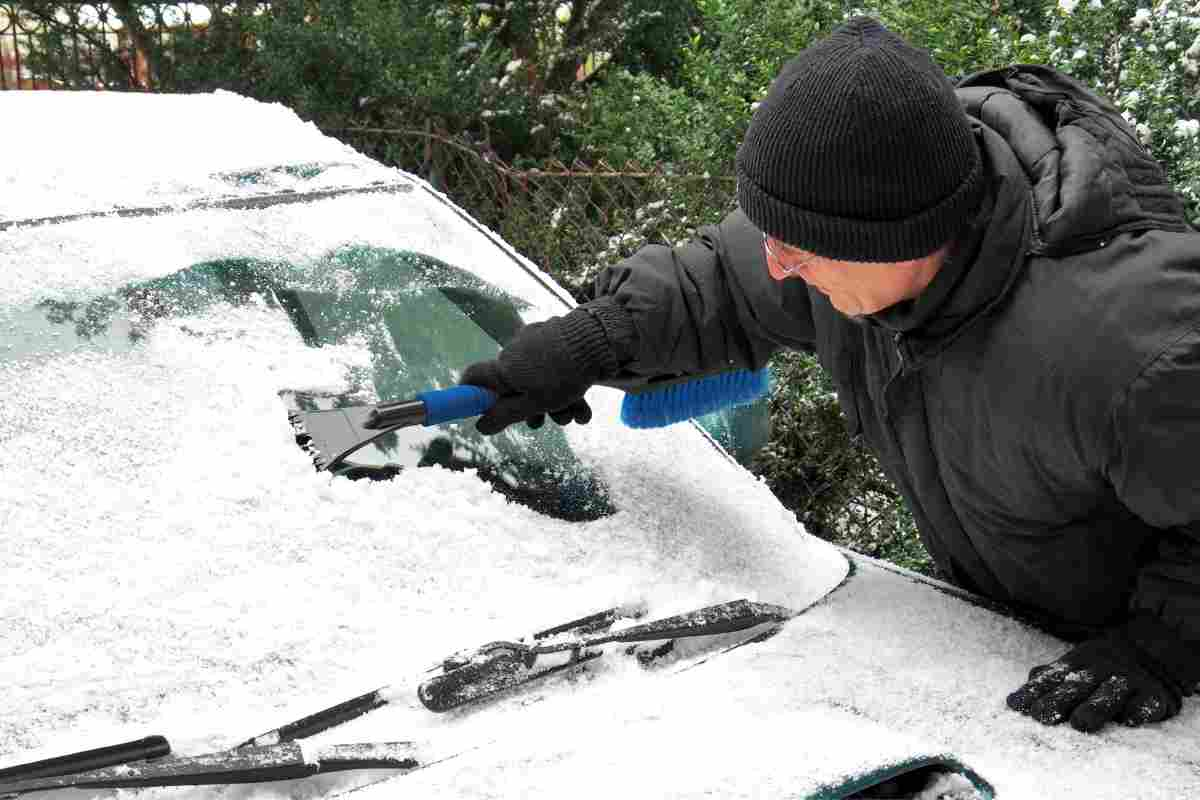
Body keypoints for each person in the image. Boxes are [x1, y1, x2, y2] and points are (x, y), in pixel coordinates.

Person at [459, 17, 1200, 733]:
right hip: (1011, 644)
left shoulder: (1129, 345)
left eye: (801, 249)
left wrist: (1167, 642)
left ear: (901, 241)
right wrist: (595, 338)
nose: (781, 263)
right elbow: (723, 278)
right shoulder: (856, 241)